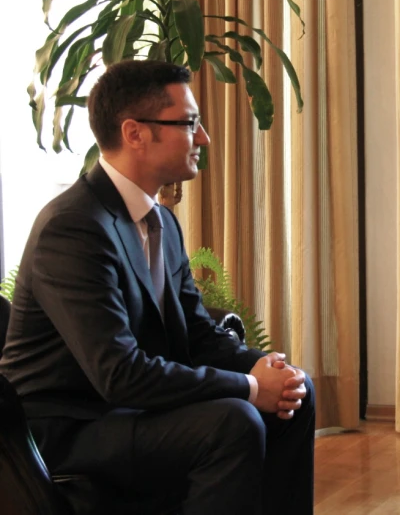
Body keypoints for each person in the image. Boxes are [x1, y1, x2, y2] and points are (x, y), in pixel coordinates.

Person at [0, 60, 314, 514]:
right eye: (189, 123)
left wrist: (269, 371)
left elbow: (196, 335)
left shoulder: (160, 220)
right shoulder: (72, 228)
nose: (204, 137)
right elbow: (118, 373)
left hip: (122, 409)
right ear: (135, 134)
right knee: (234, 421)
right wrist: (248, 386)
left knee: (296, 395)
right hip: (68, 426)